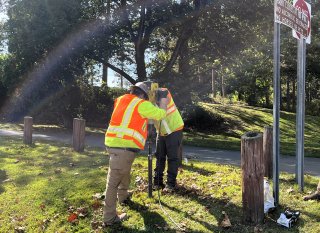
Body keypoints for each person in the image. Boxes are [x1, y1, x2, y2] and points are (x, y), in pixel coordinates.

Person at [103, 82, 168, 226]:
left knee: (123, 172)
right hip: (124, 147)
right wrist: (163, 100)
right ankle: (109, 218)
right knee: (112, 183)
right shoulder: (141, 104)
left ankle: (123, 196)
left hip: (114, 143)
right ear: (143, 95)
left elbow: (130, 119)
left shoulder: (120, 100)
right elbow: (161, 114)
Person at [153, 87, 184, 192]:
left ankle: (170, 184)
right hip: (161, 132)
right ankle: (157, 183)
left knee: (172, 158)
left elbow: (163, 109)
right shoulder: (145, 102)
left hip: (174, 129)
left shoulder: (163, 92)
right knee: (159, 157)